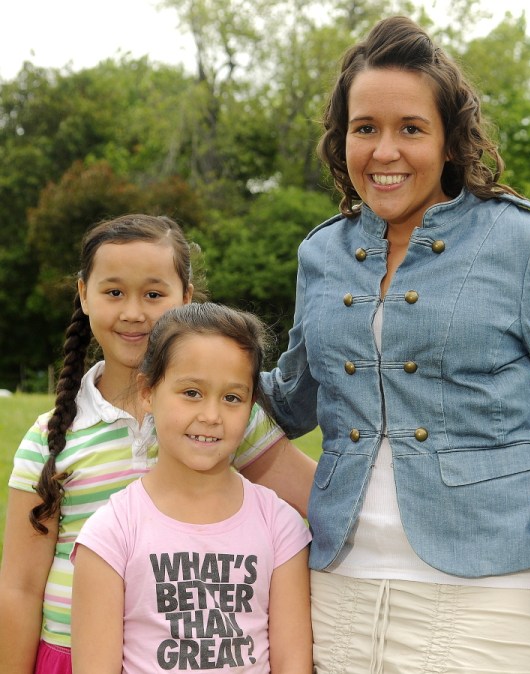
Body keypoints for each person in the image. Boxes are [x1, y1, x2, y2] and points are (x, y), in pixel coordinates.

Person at [260, 15, 530, 673]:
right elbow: (290, 403)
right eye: (364, 128)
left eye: (411, 129)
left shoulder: (526, 245)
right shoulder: (320, 252)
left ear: (451, 142)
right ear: (340, 140)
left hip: (487, 591)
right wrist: (172, 354)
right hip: (338, 582)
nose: (385, 151)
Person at [0, 215, 315, 674]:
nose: (134, 312)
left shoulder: (226, 422)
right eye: (113, 292)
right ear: (83, 294)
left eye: (153, 294)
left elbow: (323, 504)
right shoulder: (51, 439)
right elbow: (20, 587)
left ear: (185, 297)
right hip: (73, 656)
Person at [71, 302, 313, 673]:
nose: (211, 416)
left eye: (232, 398)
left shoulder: (280, 526)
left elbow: (292, 663)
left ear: (252, 406)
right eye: (191, 393)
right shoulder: (111, 533)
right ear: (148, 392)